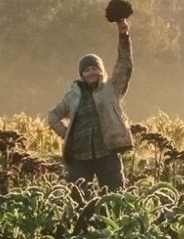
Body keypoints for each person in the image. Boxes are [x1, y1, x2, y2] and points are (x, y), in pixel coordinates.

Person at [46, 14, 134, 189]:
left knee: (115, 195)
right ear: (82, 74)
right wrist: (66, 134)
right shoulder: (73, 95)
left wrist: (123, 35)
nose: (91, 72)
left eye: (95, 68)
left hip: (107, 152)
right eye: (87, 70)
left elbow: (124, 64)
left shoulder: (112, 88)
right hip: (79, 156)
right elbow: (53, 116)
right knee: (77, 197)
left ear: (101, 71)